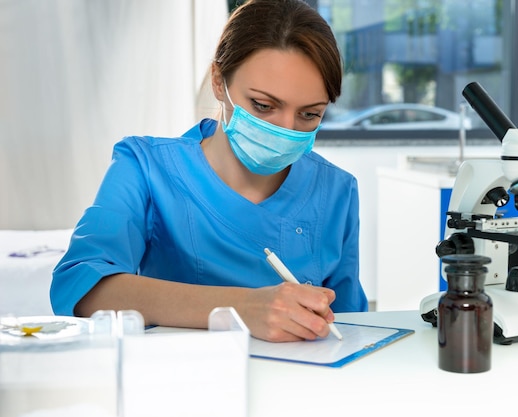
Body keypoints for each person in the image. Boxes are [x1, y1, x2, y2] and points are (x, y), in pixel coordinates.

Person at [50, 0, 368, 342]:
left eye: (310, 115)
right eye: (263, 105)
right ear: (219, 81)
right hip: (182, 381)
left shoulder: (336, 190)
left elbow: (350, 326)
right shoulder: (145, 166)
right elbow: (80, 286)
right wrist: (241, 308)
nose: (286, 129)